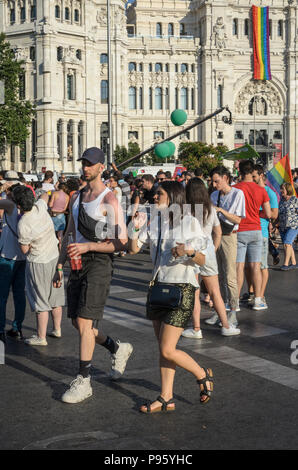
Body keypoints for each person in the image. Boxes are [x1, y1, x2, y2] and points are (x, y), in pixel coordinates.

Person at [53, 147, 133, 404]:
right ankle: (117, 347)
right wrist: (59, 263)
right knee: (78, 323)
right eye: (83, 163)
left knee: (85, 325)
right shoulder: (76, 196)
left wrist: (89, 246)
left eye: (90, 164)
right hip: (76, 261)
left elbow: (121, 242)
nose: (85, 167)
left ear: (101, 167)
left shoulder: (109, 200)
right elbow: (69, 232)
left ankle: (84, 380)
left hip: (98, 261)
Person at [128, 181, 215, 412]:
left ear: (173, 197)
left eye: (159, 194)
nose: (154, 197)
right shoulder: (155, 221)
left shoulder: (189, 222)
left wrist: (188, 251)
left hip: (182, 289)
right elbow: (134, 249)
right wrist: (134, 227)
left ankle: (202, 374)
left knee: (168, 349)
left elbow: (203, 260)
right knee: (163, 347)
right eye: (154, 193)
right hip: (158, 287)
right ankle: (166, 397)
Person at [182, 178, 240, 338]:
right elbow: (218, 232)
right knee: (215, 291)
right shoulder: (211, 209)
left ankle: (196, 328)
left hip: (192, 249)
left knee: (194, 291)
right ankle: (226, 326)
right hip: (207, 248)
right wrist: (212, 249)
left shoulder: (186, 210)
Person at [14, 186, 65, 345]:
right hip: (55, 257)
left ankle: (41, 337)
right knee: (55, 297)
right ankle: (57, 328)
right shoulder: (40, 207)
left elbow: (24, 249)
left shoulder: (23, 223)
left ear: (19, 206)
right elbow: (45, 194)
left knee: (41, 300)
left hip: (38, 262)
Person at [205, 166, 246, 327]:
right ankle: (219, 310)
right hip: (215, 236)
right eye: (213, 182)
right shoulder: (214, 194)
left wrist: (221, 210)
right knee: (217, 276)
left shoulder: (237, 194)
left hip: (229, 237)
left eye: (217, 181)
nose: (215, 185)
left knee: (230, 276)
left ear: (226, 178)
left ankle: (233, 311)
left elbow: (238, 220)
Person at [234, 160, 271, 311]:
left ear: (240, 172)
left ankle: (234, 300)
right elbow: (268, 214)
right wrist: (256, 213)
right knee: (256, 266)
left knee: (239, 267)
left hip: (240, 230)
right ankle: (258, 299)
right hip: (256, 229)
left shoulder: (235, 189)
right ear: (252, 172)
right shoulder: (261, 190)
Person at [0, 183, 26, 343]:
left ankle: (0, 327)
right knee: (19, 294)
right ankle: (17, 327)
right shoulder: (27, 205)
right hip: (22, 256)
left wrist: (2, 187)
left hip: (7, 255)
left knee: (2, 295)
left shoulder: (9, 204)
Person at [249, 165, 279, 307]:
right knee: (249, 266)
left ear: (261, 175)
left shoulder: (269, 192)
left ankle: (260, 297)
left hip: (262, 232)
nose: (252, 179)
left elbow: (274, 214)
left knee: (262, 266)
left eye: (254, 176)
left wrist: (258, 212)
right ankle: (252, 293)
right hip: (249, 231)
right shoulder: (250, 190)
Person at [278, 183, 298, 270]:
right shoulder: (281, 201)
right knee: (289, 244)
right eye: (281, 189)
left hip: (293, 226)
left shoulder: (295, 200)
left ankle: (285, 264)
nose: (281, 191)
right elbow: (278, 214)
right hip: (283, 226)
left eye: (283, 189)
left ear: (288, 190)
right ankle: (293, 263)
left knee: (287, 243)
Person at [49, 182, 70, 250]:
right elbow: (64, 208)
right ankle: (61, 250)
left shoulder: (54, 193)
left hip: (53, 215)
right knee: (60, 235)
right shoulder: (67, 196)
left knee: (51, 234)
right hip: (61, 216)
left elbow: (50, 205)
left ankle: (52, 250)